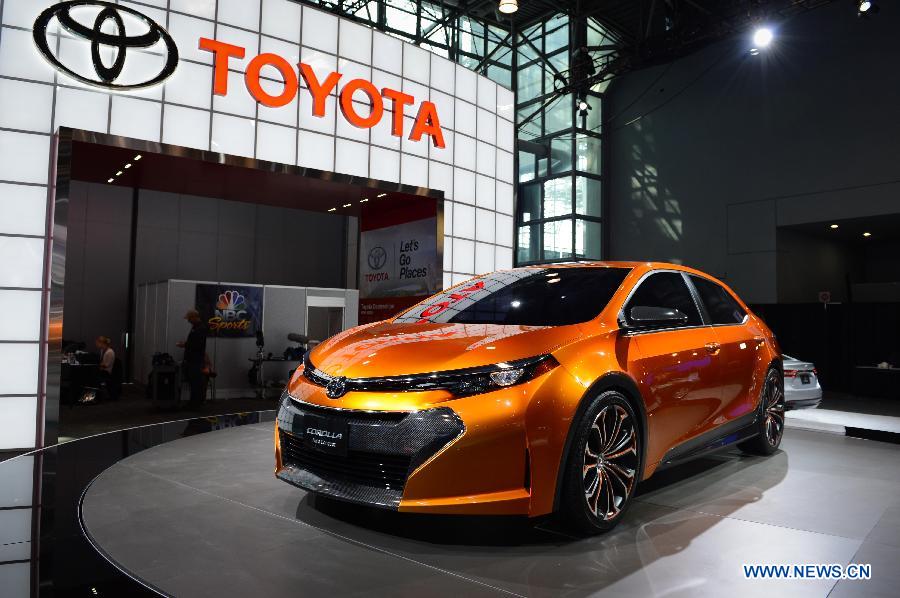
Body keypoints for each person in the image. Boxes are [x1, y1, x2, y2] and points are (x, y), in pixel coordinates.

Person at [177, 309, 208, 407]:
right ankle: (194, 402)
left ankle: (196, 404)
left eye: (189, 319)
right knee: (193, 382)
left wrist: (185, 345)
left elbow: (197, 345)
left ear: (194, 317)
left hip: (196, 360)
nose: (188, 321)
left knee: (196, 383)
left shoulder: (200, 329)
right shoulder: (195, 327)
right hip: (193, 359)